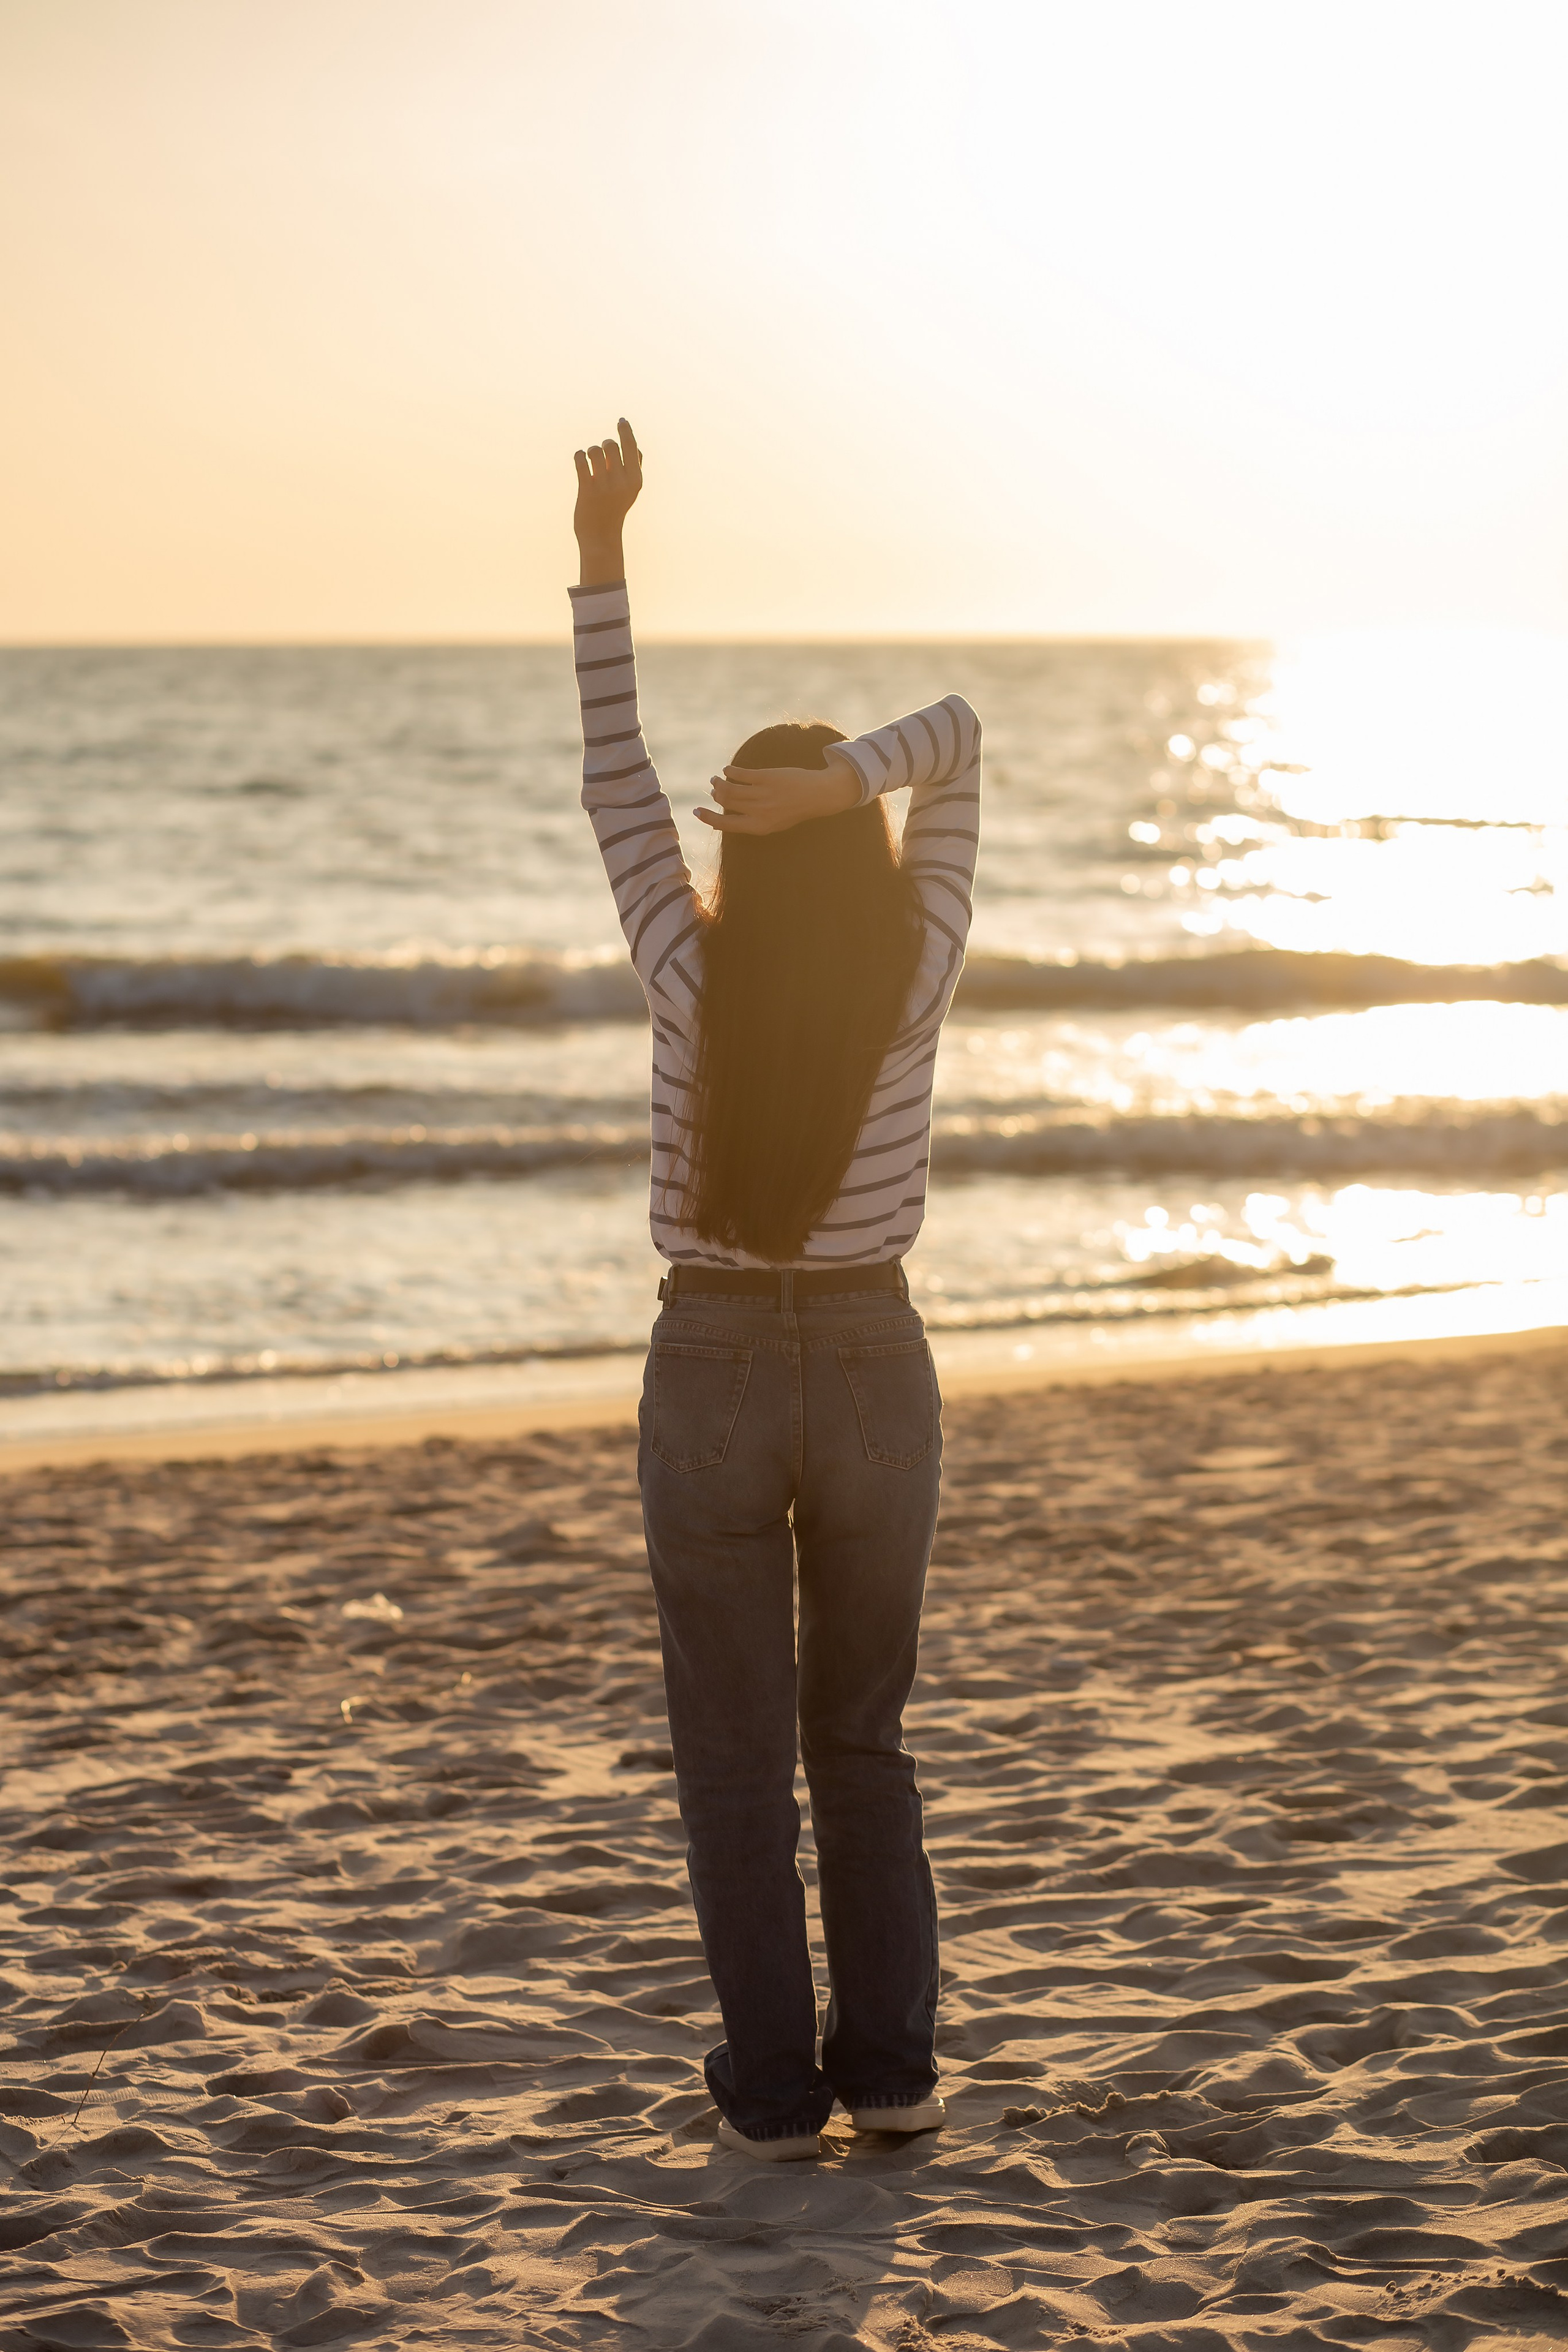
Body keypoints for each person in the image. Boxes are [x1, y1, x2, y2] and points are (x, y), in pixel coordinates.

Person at [570, 419, 982, 2162]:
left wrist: (601, 553)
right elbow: (964, 736)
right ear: (858, 839)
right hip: (877, 1356)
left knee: (737, 1763)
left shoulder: (688, 965)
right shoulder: (916, 961)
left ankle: (770, 2098)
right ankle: (887, 2075)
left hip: (717, 1367)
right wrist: (852, 786)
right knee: (859, 1742)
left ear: (742, 839)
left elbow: (610, 772)